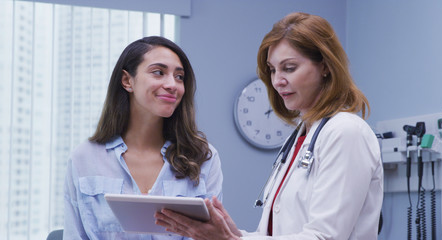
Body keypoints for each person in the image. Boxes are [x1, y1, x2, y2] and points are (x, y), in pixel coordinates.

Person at [155, 12, 383, 240]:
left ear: (325, 66)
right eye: (273, 70)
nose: (277, 81)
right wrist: (233, 234)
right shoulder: (298, 139)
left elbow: (325, 237)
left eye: (289, 68)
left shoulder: (346, 132)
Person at [63, 36, 223, 239]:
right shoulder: (84, 158)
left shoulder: (204, 158)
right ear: (127, 80)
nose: (172, 84)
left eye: (179, 77)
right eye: (159, 72)